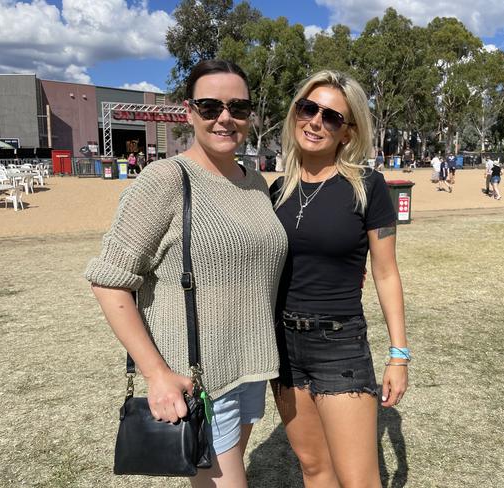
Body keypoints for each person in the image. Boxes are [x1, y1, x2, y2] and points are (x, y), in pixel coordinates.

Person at [84, 59, 288, 488]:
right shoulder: (165, 179)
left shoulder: (255, 182)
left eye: (238, 107)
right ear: (189, 110)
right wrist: (156, 374)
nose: (225, 118)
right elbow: (109, 280)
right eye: (210, 106)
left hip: (252, 368)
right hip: (200, 381)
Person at [270, 70, 409, 488]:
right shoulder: (275, 192)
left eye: (331, 117)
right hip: (282, 348)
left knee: (358, 480)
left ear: (347, 132)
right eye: (308, 109)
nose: (315, 122)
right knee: (314, 469)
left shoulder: (368, 187)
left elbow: (385, 273)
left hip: (340, 347)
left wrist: (398, 354)